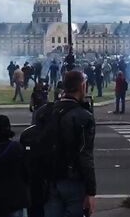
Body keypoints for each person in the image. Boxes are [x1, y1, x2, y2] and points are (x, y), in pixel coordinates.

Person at [44, 71, 96, 217]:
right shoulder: (84, 116)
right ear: (82, 86)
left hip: (50, 178)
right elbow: (85, 155)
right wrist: (91, 192)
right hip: (73, 179)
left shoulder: (46, 112)